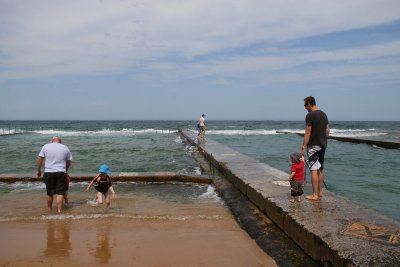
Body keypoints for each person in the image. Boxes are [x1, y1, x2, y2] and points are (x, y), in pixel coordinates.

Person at [300, 96, 330, 201]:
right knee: (320, 168)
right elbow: (327, 130)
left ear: (309, 103)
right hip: (323, 144)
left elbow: (308, 131)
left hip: (313, 145)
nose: (304, 107)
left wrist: (303, 146)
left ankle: (315, 195)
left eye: (305, 105)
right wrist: (324, 140)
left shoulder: (310, 115)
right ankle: (320, 192)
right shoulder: (324, 114)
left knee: (313, 169)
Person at [37, 136, 72, 213]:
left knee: (49, 193)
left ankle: (49, 209)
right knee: (60, 193)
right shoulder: (65, 147)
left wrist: (39, 170)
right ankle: (59, 211)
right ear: (60, 141)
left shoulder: (45, 146)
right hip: (61, 172)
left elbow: (40, 159)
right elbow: (68, 162)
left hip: (48, 172)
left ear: (52, 140)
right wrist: (65, 171)